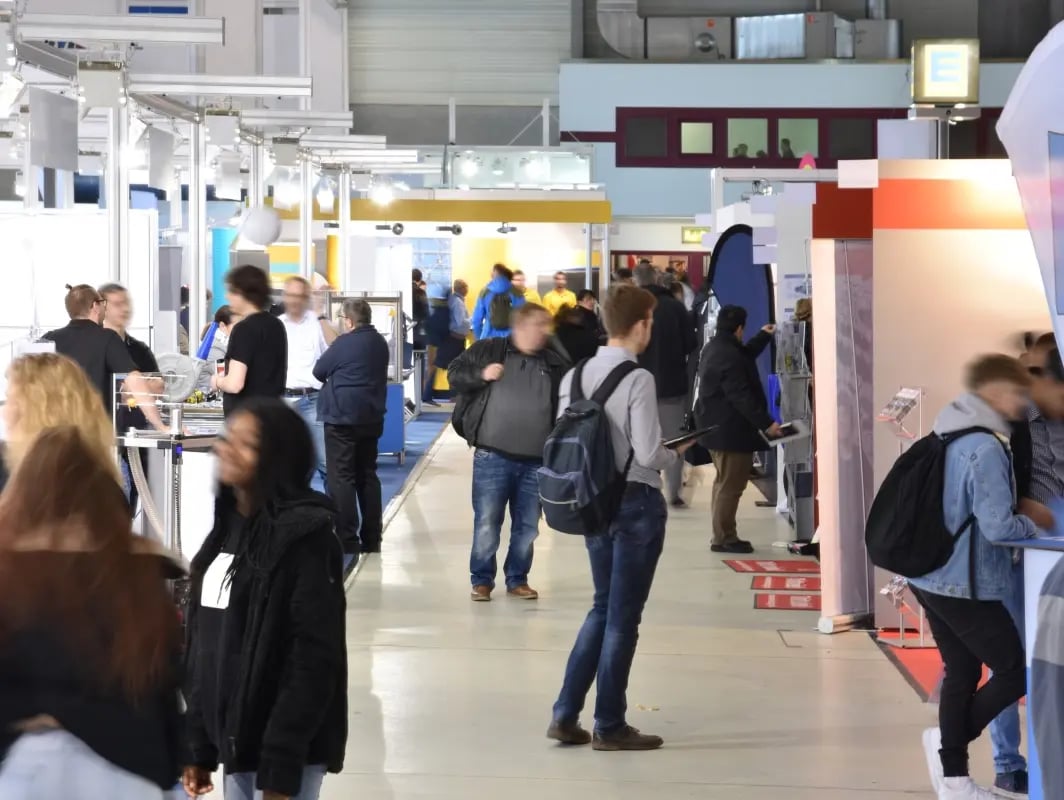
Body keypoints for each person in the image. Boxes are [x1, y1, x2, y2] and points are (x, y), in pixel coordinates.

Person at [0, 426, 184, 798]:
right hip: (132, 768)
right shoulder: (141, 568)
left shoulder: (13, 571)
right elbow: (164, 678)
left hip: (31, 770)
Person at [548, 283, 691, 752]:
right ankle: (609, 724)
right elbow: (649, 454)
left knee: (602, 605)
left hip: (591, 501)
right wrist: (679, 452)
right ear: (641, 324)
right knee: (622, 618)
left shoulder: (573, 376)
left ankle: (566, 714)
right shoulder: (637, 379)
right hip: (635, 504)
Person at [183, 399, 348, 800]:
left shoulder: (305, 537)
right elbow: (207, 648)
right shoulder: (227, 531)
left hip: (282, 754)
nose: (226, 449)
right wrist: (200, 746)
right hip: (239, 746)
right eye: (227, 439)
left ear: (276, 457)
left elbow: (312, 660)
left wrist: (280, 768)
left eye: (245, 444)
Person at [909, 355, 1048, 800]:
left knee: (964, 670)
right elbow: (998, 527)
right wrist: (1035, 522)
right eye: (1015, 393)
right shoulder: (986, 447)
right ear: (994, 392)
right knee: (1014, 670)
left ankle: (954, 780)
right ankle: (949, 748)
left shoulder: (948, 427)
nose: (1021, 403)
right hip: (962, 582)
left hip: (929, 575)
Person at [448, 303, 569, 601]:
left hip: (536, 462)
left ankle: (517, 578)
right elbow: (454, 374)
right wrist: (482, 374)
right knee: (487, 521)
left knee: (528, 526)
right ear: (519, 326)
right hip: (492, 456)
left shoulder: (555, 364)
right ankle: (482, 580)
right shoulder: (489, 350)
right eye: (536, 325)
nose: (541, 333)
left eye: (545, 327)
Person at [986, 345, 1064, 796]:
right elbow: (994, 495)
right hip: (1018, 559)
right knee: (1010, 663)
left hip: (1055, 557)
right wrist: (1024, 507)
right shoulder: (1012, 422)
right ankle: (1008, 761)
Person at [694, 305, 779, 554]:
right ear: (740, 328)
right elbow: (740, 396)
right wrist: (767, 423)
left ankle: (721, 534)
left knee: (723, 484)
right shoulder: (729, 353)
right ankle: (724, 538)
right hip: (729, 431)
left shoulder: (716, 347)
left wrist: (763, 336)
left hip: (715, 427)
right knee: (731, 487)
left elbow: (743, 355)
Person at [314, 299, 390, 555]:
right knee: (367, 476)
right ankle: (372, 539)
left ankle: (347, 538)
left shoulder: (344, 343)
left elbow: (319, 370)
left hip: (341, 419)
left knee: (341, 477)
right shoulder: (379, 343)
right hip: (371, 418)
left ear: (348, 321)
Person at [634, 263, 699, 507]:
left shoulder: (633, 307)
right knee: (674, 439)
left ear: (637, 281)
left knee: (639, 436)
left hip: (636, 384)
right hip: (671, 384)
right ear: (658, 280)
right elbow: (691, 343)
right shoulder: (674, 306)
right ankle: (673, 493)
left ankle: (643, 486)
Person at [281, 276, 335, 493]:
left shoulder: (317, 321)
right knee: (289, 466)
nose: (294, 300)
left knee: (325, 463)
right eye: (290, 295)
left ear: (306, 298)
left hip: (313, 399)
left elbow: (335, 345)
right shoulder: (278, 325)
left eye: (299, 296)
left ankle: (339, 522)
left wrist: (321, 313)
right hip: (283, 401)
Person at [212, 265, 288, 419]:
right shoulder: (277, 325)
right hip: (273, 416)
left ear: (244, 294)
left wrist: (217, 382)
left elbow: (235, 384)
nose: (227, 297)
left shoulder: (243, 329)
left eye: (232, 291)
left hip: (245, 421)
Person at [472, 263, 525, 340]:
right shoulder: (516, 293)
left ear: (494, 275)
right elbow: (523, 319)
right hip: (512, 339)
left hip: (488, 338)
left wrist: (479, 339)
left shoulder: (485, 292)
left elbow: (476, 320)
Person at [196, 305, 241, 393]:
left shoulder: (222, 344)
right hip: (209, 399)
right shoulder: (215, 348)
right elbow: (225, 378)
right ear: (223, 326)